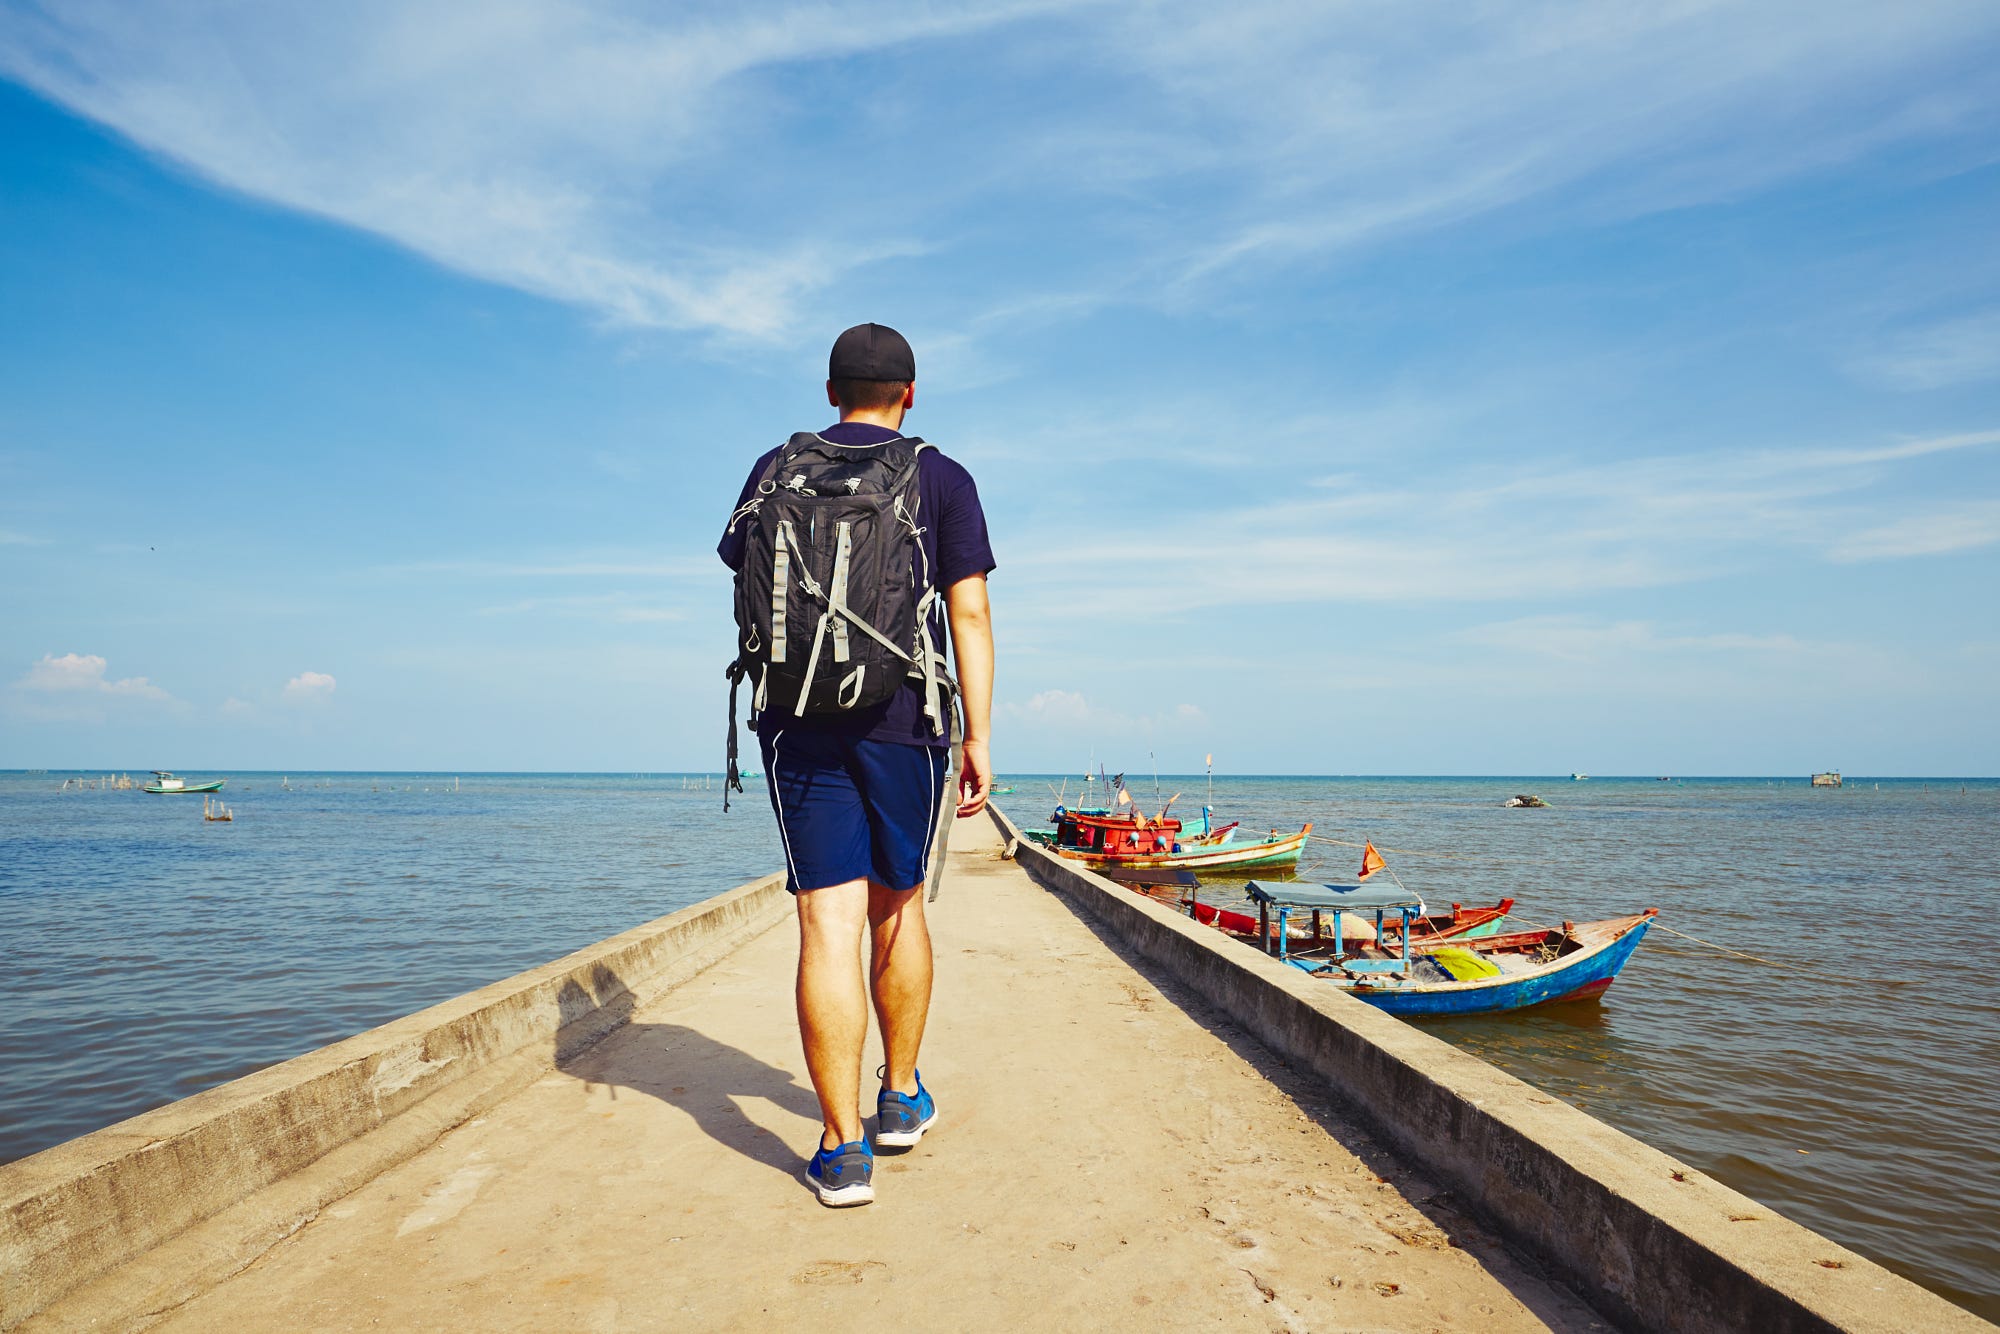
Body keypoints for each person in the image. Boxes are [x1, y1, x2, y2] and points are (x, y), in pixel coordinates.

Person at [716, 322, 994, 1207]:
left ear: (831, 390)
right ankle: (901, 1099)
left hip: (797, 721)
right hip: (903, 721)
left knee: (824, 924)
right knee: (897, 906)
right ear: (910, 393)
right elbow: (971, 616)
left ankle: (841, 1152)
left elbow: (742, 578)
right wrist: (979, 737)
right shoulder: (941, 478)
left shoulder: (774, 468)